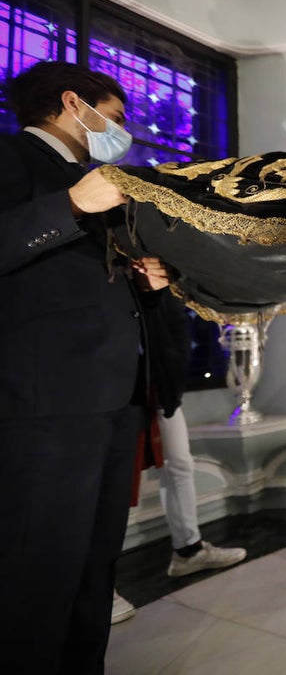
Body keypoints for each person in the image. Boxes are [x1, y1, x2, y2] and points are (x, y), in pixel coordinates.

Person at [0, 60, 170, 675]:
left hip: (112, 396)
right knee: (39, 573)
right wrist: (71, 204)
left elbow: (80, 280)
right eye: (115, 118)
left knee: (94, 569)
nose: (121, 132)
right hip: (46, 406)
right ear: (74, 103)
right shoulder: (14, 159)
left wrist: (143, 281)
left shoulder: (93, 177)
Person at [112, 290, 248, 623]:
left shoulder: (157, 271)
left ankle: (188, 549)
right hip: (121, 385)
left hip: (158, 383)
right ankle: (98, 585)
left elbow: (171, 324)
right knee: (111, 483)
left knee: (179, 464)